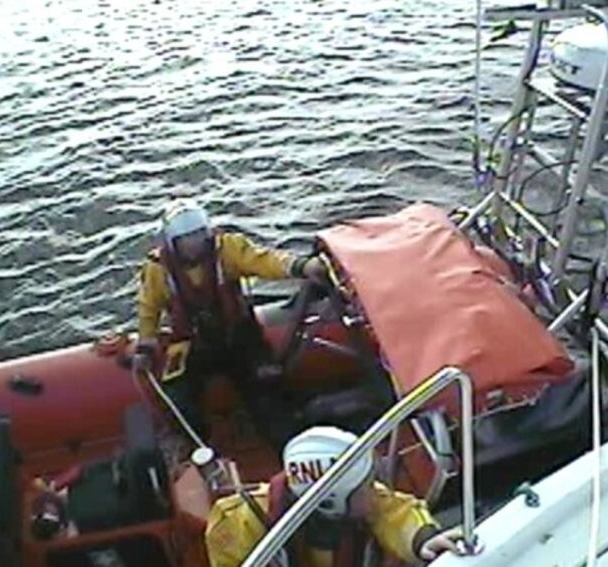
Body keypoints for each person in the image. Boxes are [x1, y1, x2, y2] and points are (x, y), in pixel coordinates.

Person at [131, 199, 323, 447]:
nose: (194, 245)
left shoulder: (227, 250)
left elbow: (265, 260)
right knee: (177, 398)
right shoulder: (158, 270)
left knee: (269, 388)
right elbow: (149, 308)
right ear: (172, 242)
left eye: (199, 236)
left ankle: (288, 443)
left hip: (238, 336)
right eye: (186, 239)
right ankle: (196, 449)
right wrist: (145, 345)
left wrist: (302, 266)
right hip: (191, 344)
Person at [204, 427, 465, 567]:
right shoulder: (240, 523)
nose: (372, 491)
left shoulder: (361, 501)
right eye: (364, 487)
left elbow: (395, 512)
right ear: (330, 501)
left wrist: (423, 539)